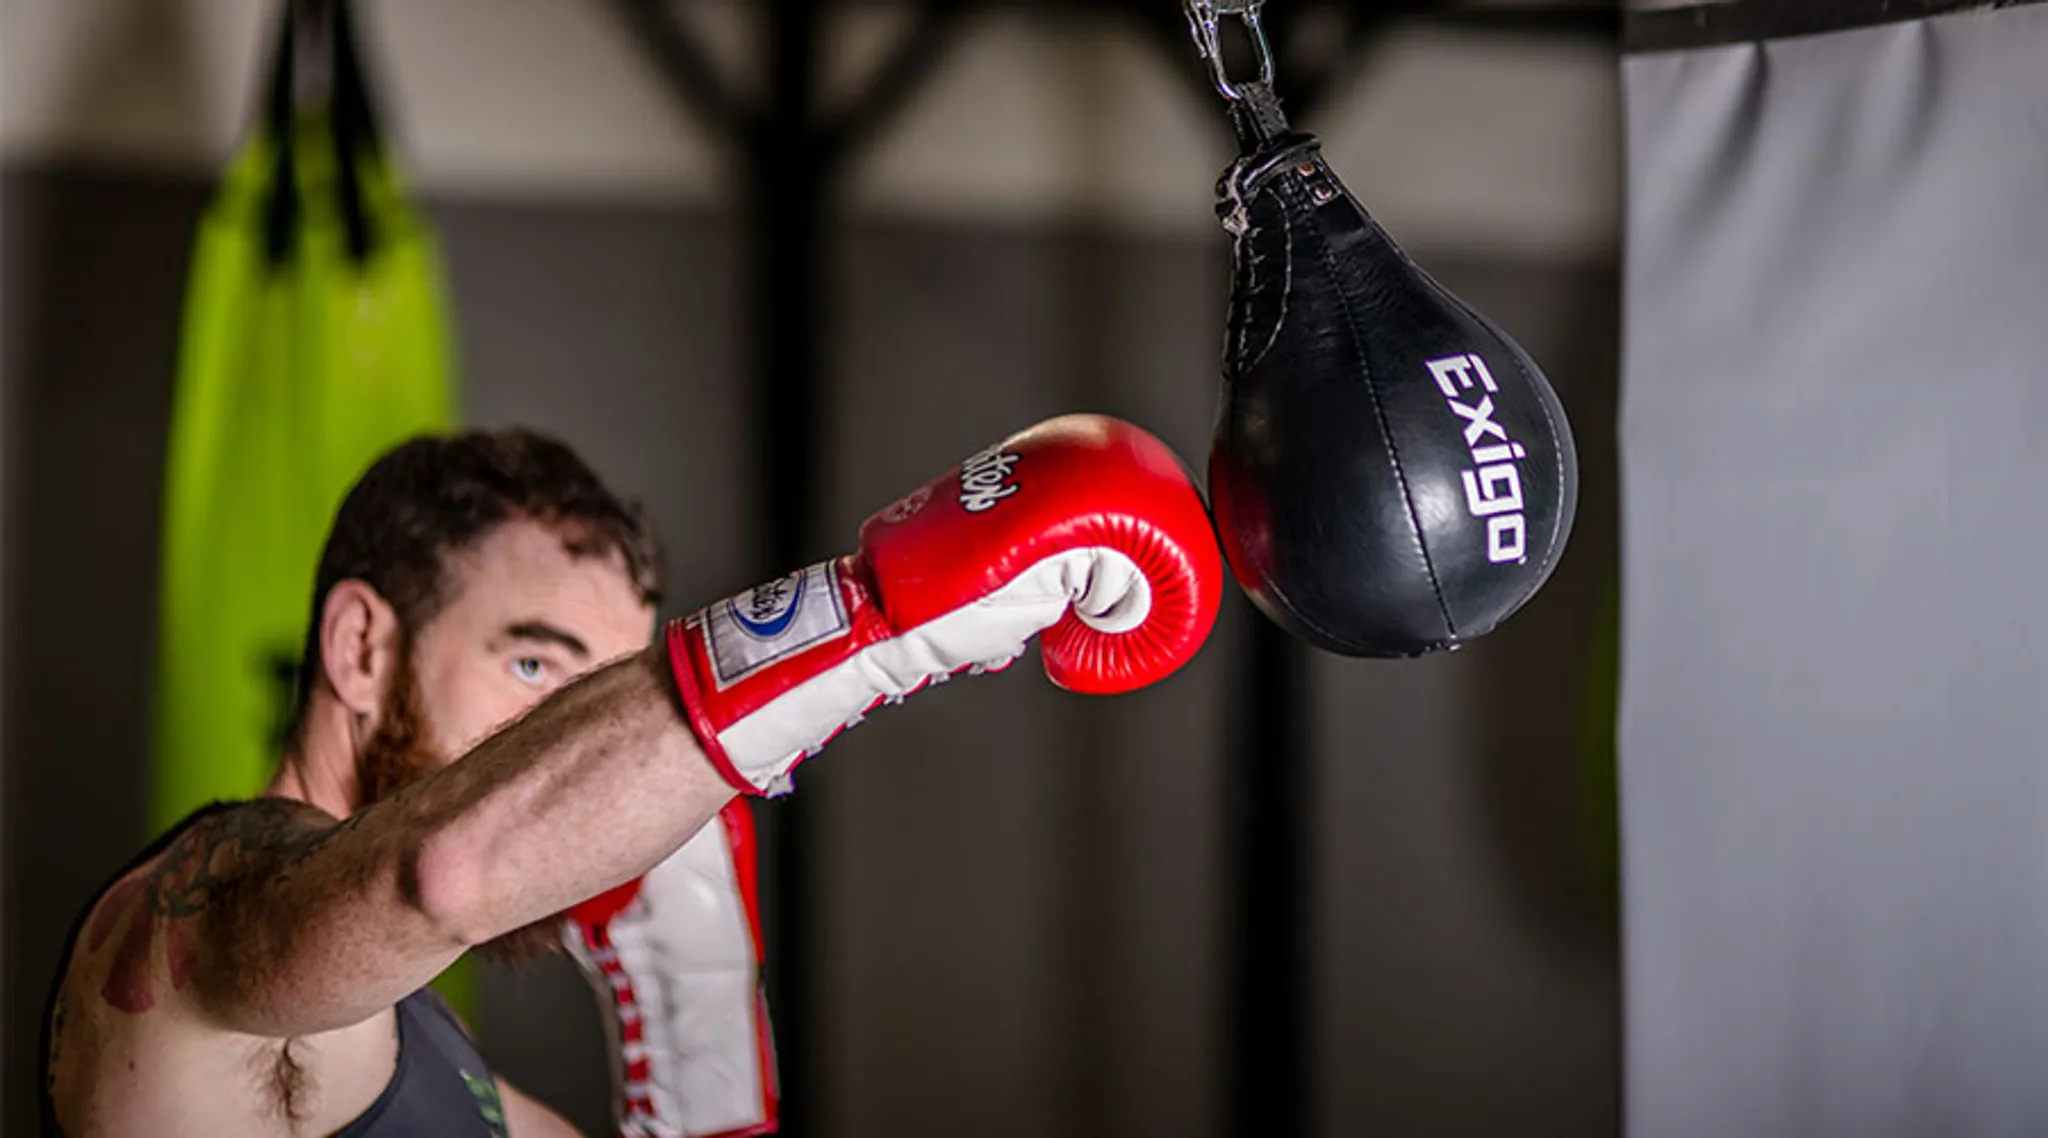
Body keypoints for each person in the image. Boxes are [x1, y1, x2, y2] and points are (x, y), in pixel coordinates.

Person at [39, 413, 1223, 1137]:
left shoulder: (430, 1073)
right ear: (361, 649)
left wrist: (702, 1043)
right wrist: (884, 618)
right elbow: (436, 872)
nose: (579, 736)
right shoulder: (200, 926)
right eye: (535, 667)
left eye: (601, 692)